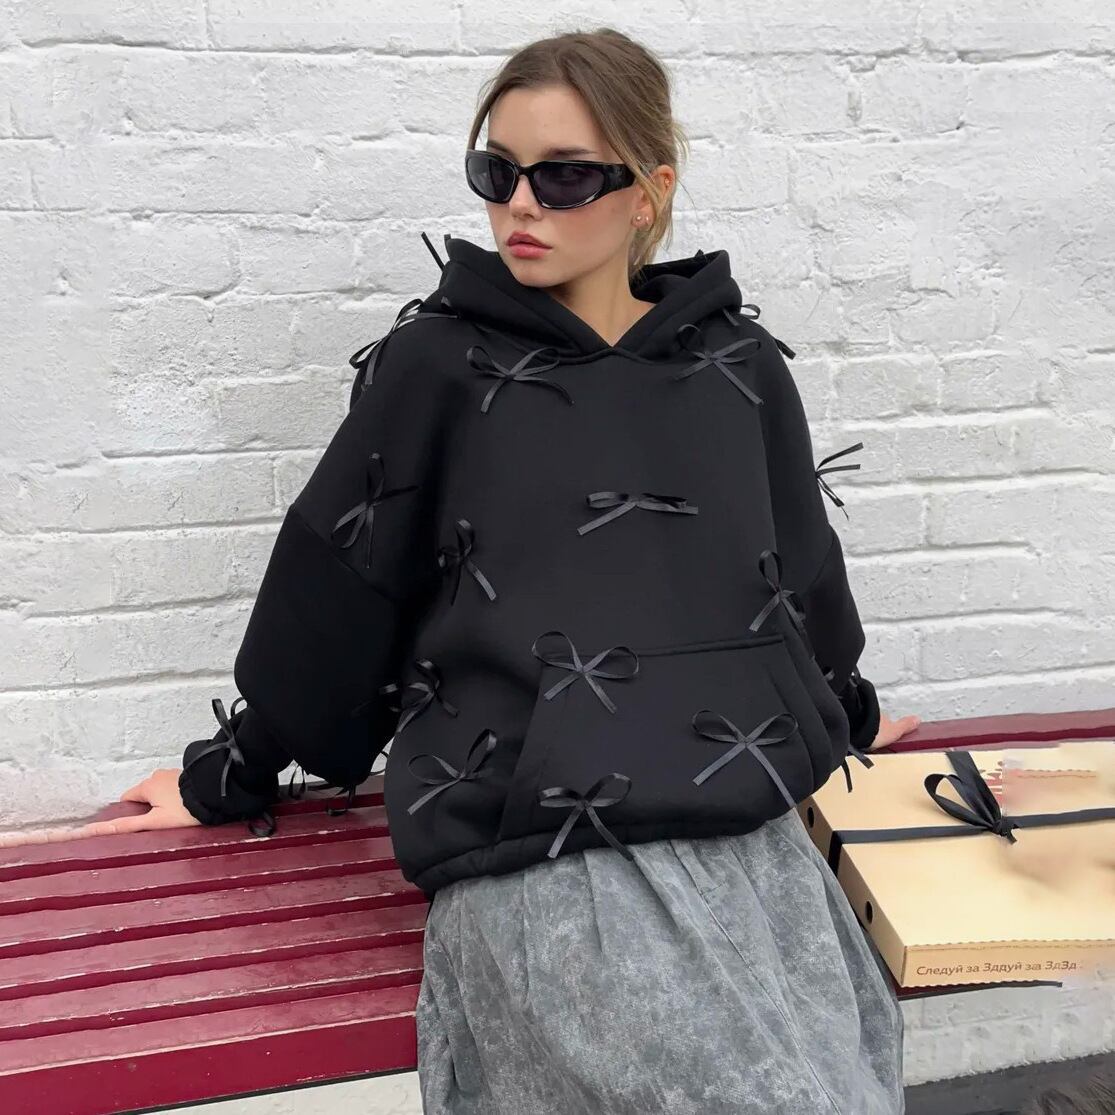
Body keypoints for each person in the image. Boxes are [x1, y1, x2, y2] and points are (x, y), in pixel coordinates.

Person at [82, 27, 921, 1115]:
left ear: (649, 192)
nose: (520, 205)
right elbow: (341, 594)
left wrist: (850, 711)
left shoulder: (739, 367)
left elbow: (791, 578)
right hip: (541, 867)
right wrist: (224, 775)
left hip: (750, 852)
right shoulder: (439, 367)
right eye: (497, 171)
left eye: (563, 176)